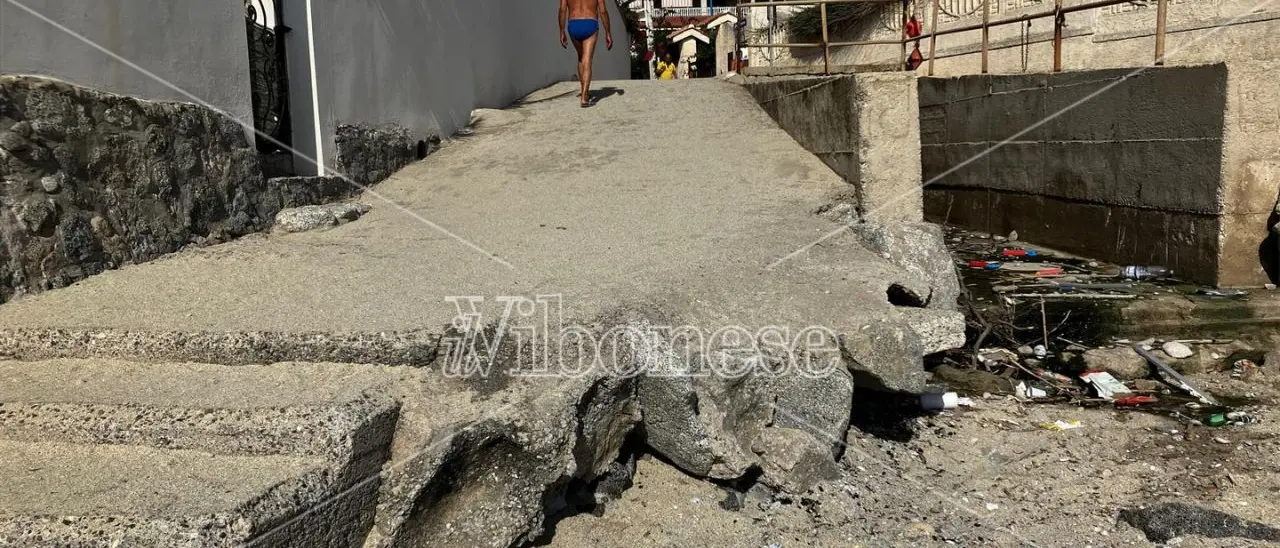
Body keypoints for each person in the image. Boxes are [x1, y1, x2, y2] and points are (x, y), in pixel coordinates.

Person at [560, 0, 613, 107]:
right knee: (587, 60)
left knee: (581, 57)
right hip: (590, 23)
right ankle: (584, 96)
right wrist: (608, 32)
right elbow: (603, 11)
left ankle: (584, 90)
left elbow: (562, 9)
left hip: (573, 24)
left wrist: (561, 31)